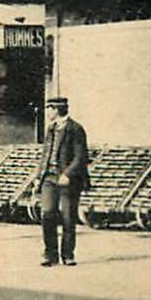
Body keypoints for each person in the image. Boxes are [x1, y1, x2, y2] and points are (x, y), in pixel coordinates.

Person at [39, 96, 89, 267]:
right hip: (49, 178)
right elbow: (46, 154)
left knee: (68, 217)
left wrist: (67, 174)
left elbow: (80, 156)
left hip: (68, 180)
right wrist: (39, 175)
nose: (47, 112)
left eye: (49, 108)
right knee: (47, 215)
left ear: (57, 109)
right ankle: (50, 254)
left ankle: (67, 254)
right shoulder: (51, 129)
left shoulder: (75, 129)